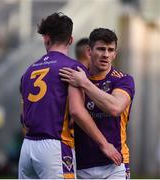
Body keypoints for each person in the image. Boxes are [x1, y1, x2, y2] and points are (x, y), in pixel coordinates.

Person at [18, 13, 122, 179]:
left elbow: (24, 117)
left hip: (27, 148)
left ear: (46, 38)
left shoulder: (28, 71)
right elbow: (76, 111)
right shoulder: (72, 68)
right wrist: (104, 144)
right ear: (71, 40)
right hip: (55, 147)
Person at [59, 28, 135, 179]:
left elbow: (115, 108)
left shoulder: (123, 80)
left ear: (115, 54)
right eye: (101, 49)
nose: (106, 55)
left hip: (115, 163)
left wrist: (85, 84)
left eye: (110, 50)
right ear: (89, 51)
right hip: (81, 164)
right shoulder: (75, 78)